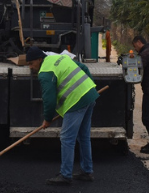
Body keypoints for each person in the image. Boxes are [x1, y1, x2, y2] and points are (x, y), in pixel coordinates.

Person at [26, 46, 99, 185]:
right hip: (89, 95)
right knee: (83, 137)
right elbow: (83, 67)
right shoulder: (59, 57)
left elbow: (49, 99)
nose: (30, 67)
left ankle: (65, 175)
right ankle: (87, 171)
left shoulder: (45, 72)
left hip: (76, 101)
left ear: (39, 59)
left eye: (31, 63)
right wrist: (90, 86)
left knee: (67, 138)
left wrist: (47, 119)